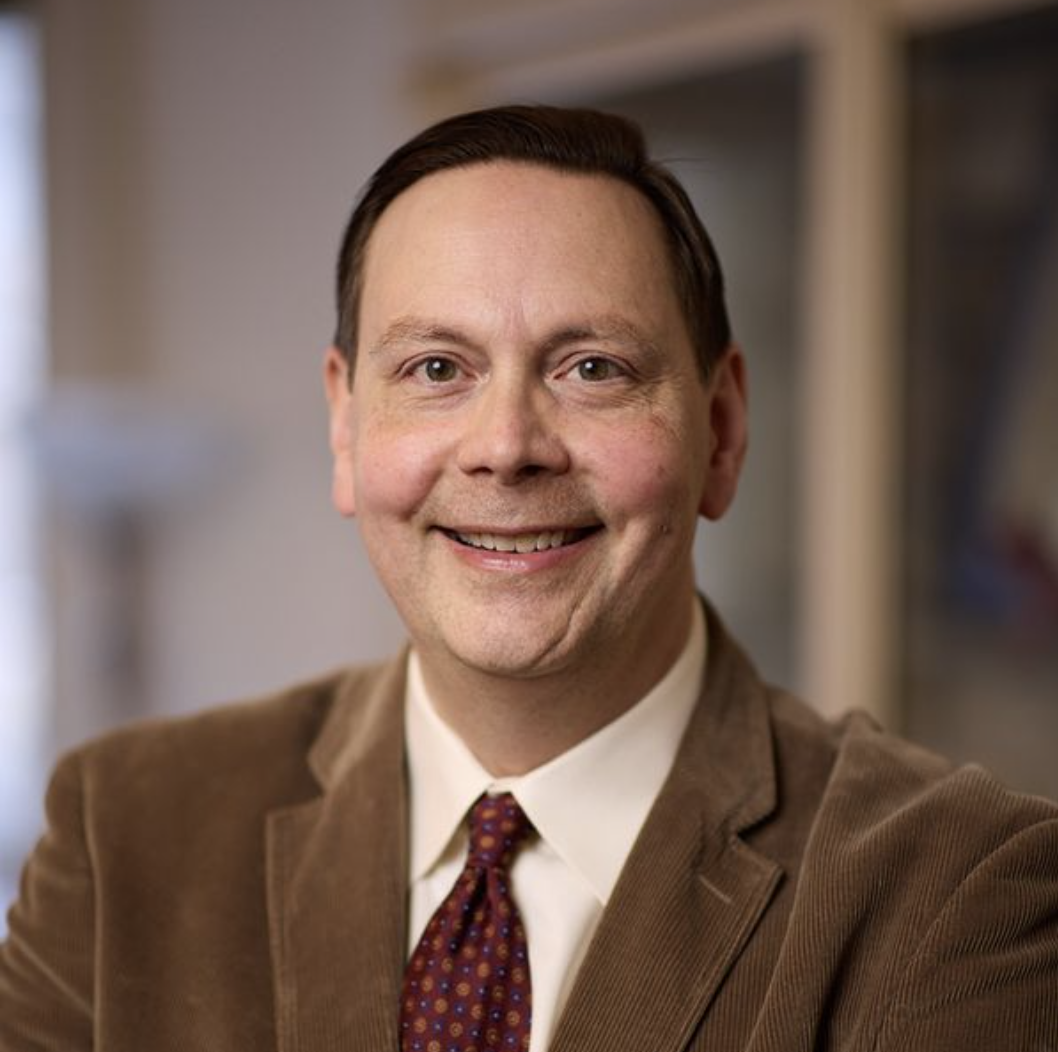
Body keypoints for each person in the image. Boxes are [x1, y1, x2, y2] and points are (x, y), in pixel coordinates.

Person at [1, 104, 1056, 1052]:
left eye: (591, 367)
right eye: (435, 369)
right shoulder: (125, 830)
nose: (505, 447)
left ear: (721, 428)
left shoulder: (959, 891)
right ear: (343, 422)